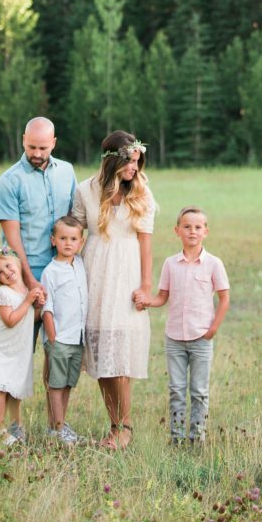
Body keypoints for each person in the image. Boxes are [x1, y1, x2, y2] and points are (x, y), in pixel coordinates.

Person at [72, 130, 156, 450]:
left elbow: (146, 244)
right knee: (102, 350)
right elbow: (74, 230)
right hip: (94, 271)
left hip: (127, 273)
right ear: (112, 161)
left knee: (120, 351)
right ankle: (114, 425)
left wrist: (146, 286)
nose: (134, 168)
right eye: (130, 162)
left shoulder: (141, 193)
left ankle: (126, 427)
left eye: (137, 162)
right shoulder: (86, 190)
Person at [136, 206, 229, 445]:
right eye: (187, 227)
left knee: (199, 391)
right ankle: (176, 437)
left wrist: (213, 328)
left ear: (206, 232)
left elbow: (224, 297)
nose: (192, 231)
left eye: (198, 227)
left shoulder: (213, 264)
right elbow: (162, 296)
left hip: (201, 338)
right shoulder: (170, 264)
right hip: (174, 338)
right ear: (177, 231)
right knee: (176, 389)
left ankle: (197, 437)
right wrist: (147, 301)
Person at [0, 117, 77, 292]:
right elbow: (12, 238)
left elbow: (73, 220)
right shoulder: (9, 181)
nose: (37, 154)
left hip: (63, 266)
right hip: (27, 269)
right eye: (32, 147)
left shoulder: (67, 171)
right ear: (23, 140)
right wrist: (29, 280)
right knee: (27, 319)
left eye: (43, 148)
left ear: (53, 143)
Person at [0, 245, 43, 446]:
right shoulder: (2, 293)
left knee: (13, 386)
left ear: (18, 263)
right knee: (0, 385)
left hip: (16, 348)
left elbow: (30, 317)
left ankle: (12, 425)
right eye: (0, 273)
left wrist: (40, 305)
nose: (6, 273)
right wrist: (29, 300)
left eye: (7, 266)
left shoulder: (26, 291)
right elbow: (11, 320)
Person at [40, 215, 88, 446]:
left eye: (73, 239)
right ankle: (57, 429)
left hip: (77, 337)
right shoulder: (51, 272)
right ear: (53, 240)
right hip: (60, 337)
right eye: (62, 238)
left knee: (68, 382)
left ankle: (59, 424)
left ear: (80, 242)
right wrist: (52, 338)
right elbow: (46, 309)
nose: (68, 243)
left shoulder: (79, 264)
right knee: (56, 384)